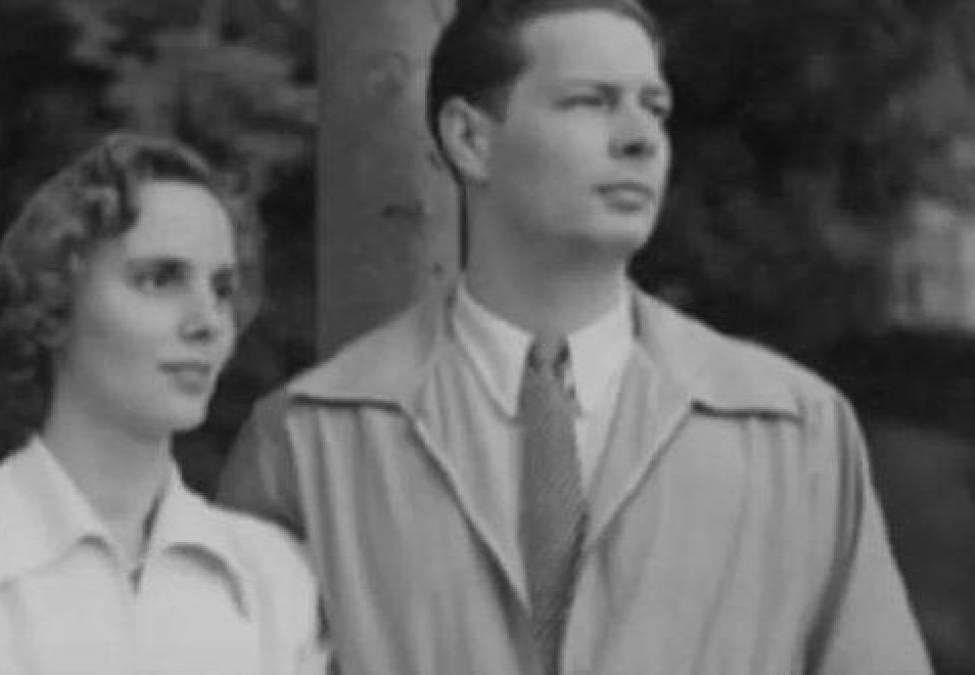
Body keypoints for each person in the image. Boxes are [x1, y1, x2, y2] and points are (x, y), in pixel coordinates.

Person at [216, 1, 933, 674]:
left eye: (655, 108)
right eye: (590, 101)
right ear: (470, 139)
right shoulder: (308, 443)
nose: (640, 138)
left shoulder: (794, 433)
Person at [0, 133, 328, 675]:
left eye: (222, 288)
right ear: (54, 303)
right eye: (160, 279)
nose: (208, 321)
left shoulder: (275, 584)